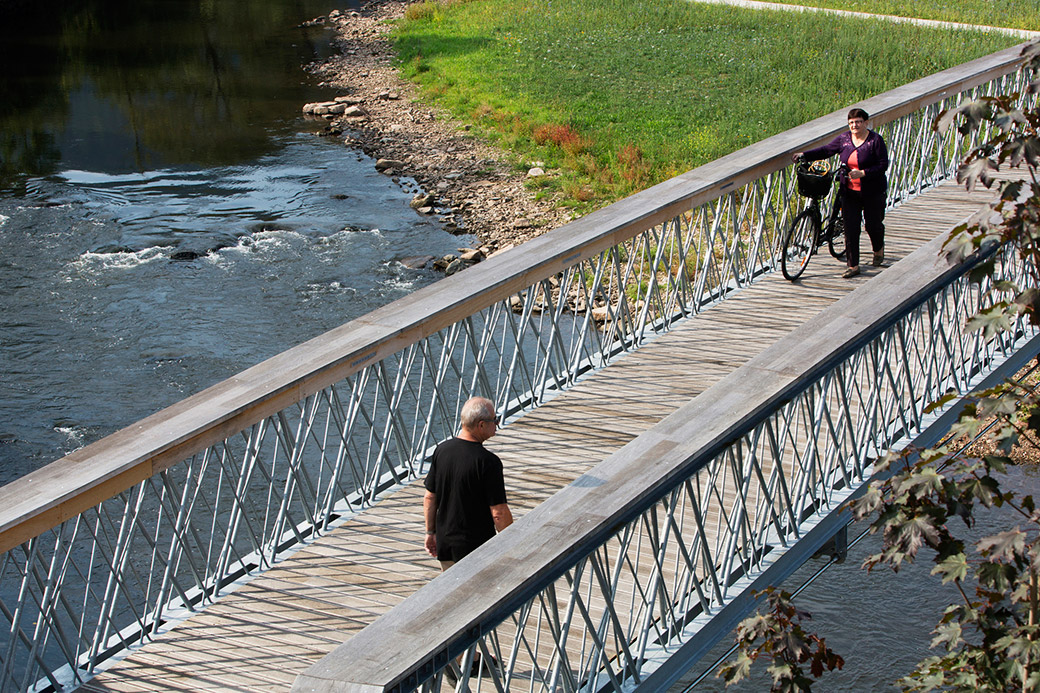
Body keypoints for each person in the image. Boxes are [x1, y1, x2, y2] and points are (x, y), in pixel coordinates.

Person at [793, 107, 889, 279]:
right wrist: (804, 155)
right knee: (851, 228)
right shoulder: (844, 139)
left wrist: (863, 173)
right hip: (849, 191)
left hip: (872, 191)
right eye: (851, 122)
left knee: (872, 225)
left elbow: (883, 165)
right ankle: (853, 266)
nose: (855, 125)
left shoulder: (875, 141)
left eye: (859, 122)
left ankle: (878, 250)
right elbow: (826, 150)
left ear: (866, 123)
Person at [423, 396, 513, 571]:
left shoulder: (442, 450)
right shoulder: (488, 462)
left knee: (450, 595)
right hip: (477, 550)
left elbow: (429, 498)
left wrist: (430, 533)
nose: (497, 423)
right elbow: (499, 513)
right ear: (481, 425)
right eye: (495, 420)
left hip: (446, 545)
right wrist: (512, 542)